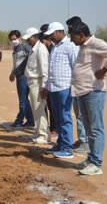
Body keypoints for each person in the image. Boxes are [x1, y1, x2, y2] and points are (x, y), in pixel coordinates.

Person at [70, 22, 107, 175]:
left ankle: (96, 164)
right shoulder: (82, 46)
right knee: (89, 128)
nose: (72, 40)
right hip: (81, 92)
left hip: (94, 92)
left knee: (96, 128)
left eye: (73, 37)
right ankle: (91, 159)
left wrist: (104, 70)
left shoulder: (96, 43)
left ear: (82, 35)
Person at [41, 22, 78, 158]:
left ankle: (68, 148)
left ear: (59, 32)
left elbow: (75, 67)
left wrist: (74, 87)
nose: (50, 37)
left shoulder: (70, 45)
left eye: (51, 34)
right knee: (57, 118)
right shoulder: (55, 47)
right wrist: (47, 86)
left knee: (65, 117)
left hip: (65, 88)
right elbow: (52, 70)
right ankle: (61, 144)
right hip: (54, 88)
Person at [22, 27, 50, 144]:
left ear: (35, 37)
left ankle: (43, 135)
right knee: (35, 109)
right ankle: (38, 132)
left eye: (29, 39)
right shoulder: (33, 48)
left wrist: (44, 86)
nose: (28, 41)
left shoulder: (41, 49)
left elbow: (45, 69)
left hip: (38, 82)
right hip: (32, 82)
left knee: (39, 109)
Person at [66, 16, 89, 153]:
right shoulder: (76, 45)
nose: (70, 34)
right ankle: (81, 139)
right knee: (78, 114)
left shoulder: (83, 46)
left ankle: (85, 141)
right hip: (74, 84)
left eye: (70, 30)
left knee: (82, 115)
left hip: (82, 86)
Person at [8, 30, 34, 129]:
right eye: (11, 40)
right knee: (24, 100)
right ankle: (31, 120)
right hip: (18, 76)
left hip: (25, 77)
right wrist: (12, 73)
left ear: (20, 38)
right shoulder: (15, 49)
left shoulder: (26, 47)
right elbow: (15, 63)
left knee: (22, 100)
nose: (13, 41)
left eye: (15, 39)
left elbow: (30, 60)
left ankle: (19, 120)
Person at [39, 25, 57, 137]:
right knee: (44, 106)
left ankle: (54, 128)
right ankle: (46, 126)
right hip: (45, 82)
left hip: (52, 82)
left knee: (52, 107)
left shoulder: (53, 49)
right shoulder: (43, 49)